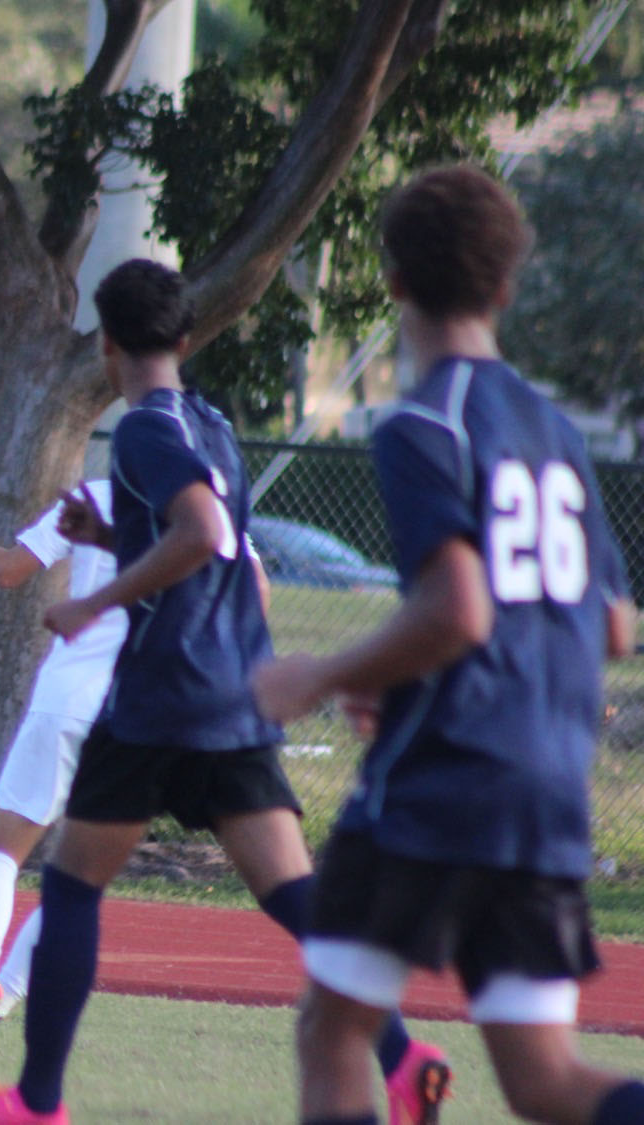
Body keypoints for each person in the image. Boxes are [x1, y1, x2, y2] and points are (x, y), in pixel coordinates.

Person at [0, 259, 444, 1125]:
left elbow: (200, 534)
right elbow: (222, 547)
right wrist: (119, 538)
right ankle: (404, 1054)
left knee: (74, 889)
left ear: (107, 342)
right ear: (187, 337)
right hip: (228, 700)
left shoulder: (139, 430)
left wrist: (93, 597)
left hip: (159, 694)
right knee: (293, 895)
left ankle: (36, 1101)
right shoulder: (212, 427)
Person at [254, 165, 644, 1125]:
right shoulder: (554, 429)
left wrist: (322, 673)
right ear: (506, 285)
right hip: (546, 789)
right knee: (546, 1082)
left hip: (440, 786)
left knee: (335, 1032)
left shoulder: (423, 421)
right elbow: (612, 624)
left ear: (392, 280)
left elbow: (460, 608)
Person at [0, 480, 126, 1061]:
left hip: (66, 695)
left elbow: (8, 570)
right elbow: (255, 591)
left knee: (0, 852)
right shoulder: (209, 499)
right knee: (80, 879)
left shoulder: (98, 493)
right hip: (137, 710)